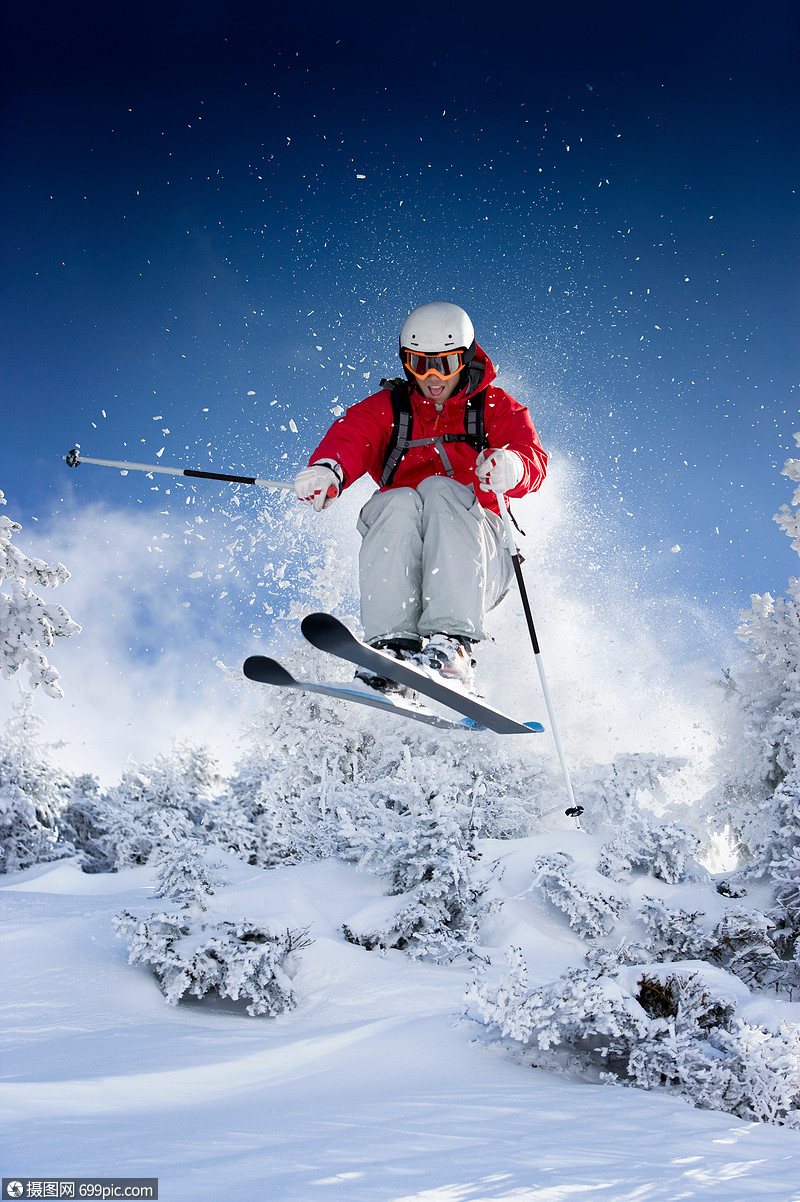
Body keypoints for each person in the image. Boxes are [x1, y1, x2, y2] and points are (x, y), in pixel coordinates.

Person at [293, 301, 547, 693]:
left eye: (443, 365)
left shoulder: (494, 407)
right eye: (417, 363)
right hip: (411, 565)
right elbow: (353, 435)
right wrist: (330, 468)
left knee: (440, 490)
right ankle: (391, 646)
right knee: (395, 501)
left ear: (464, 359)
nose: (431, 377)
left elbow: (531, 457)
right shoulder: (391, 408)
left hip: (481, 559)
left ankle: (453, 647)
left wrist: (513, 466)